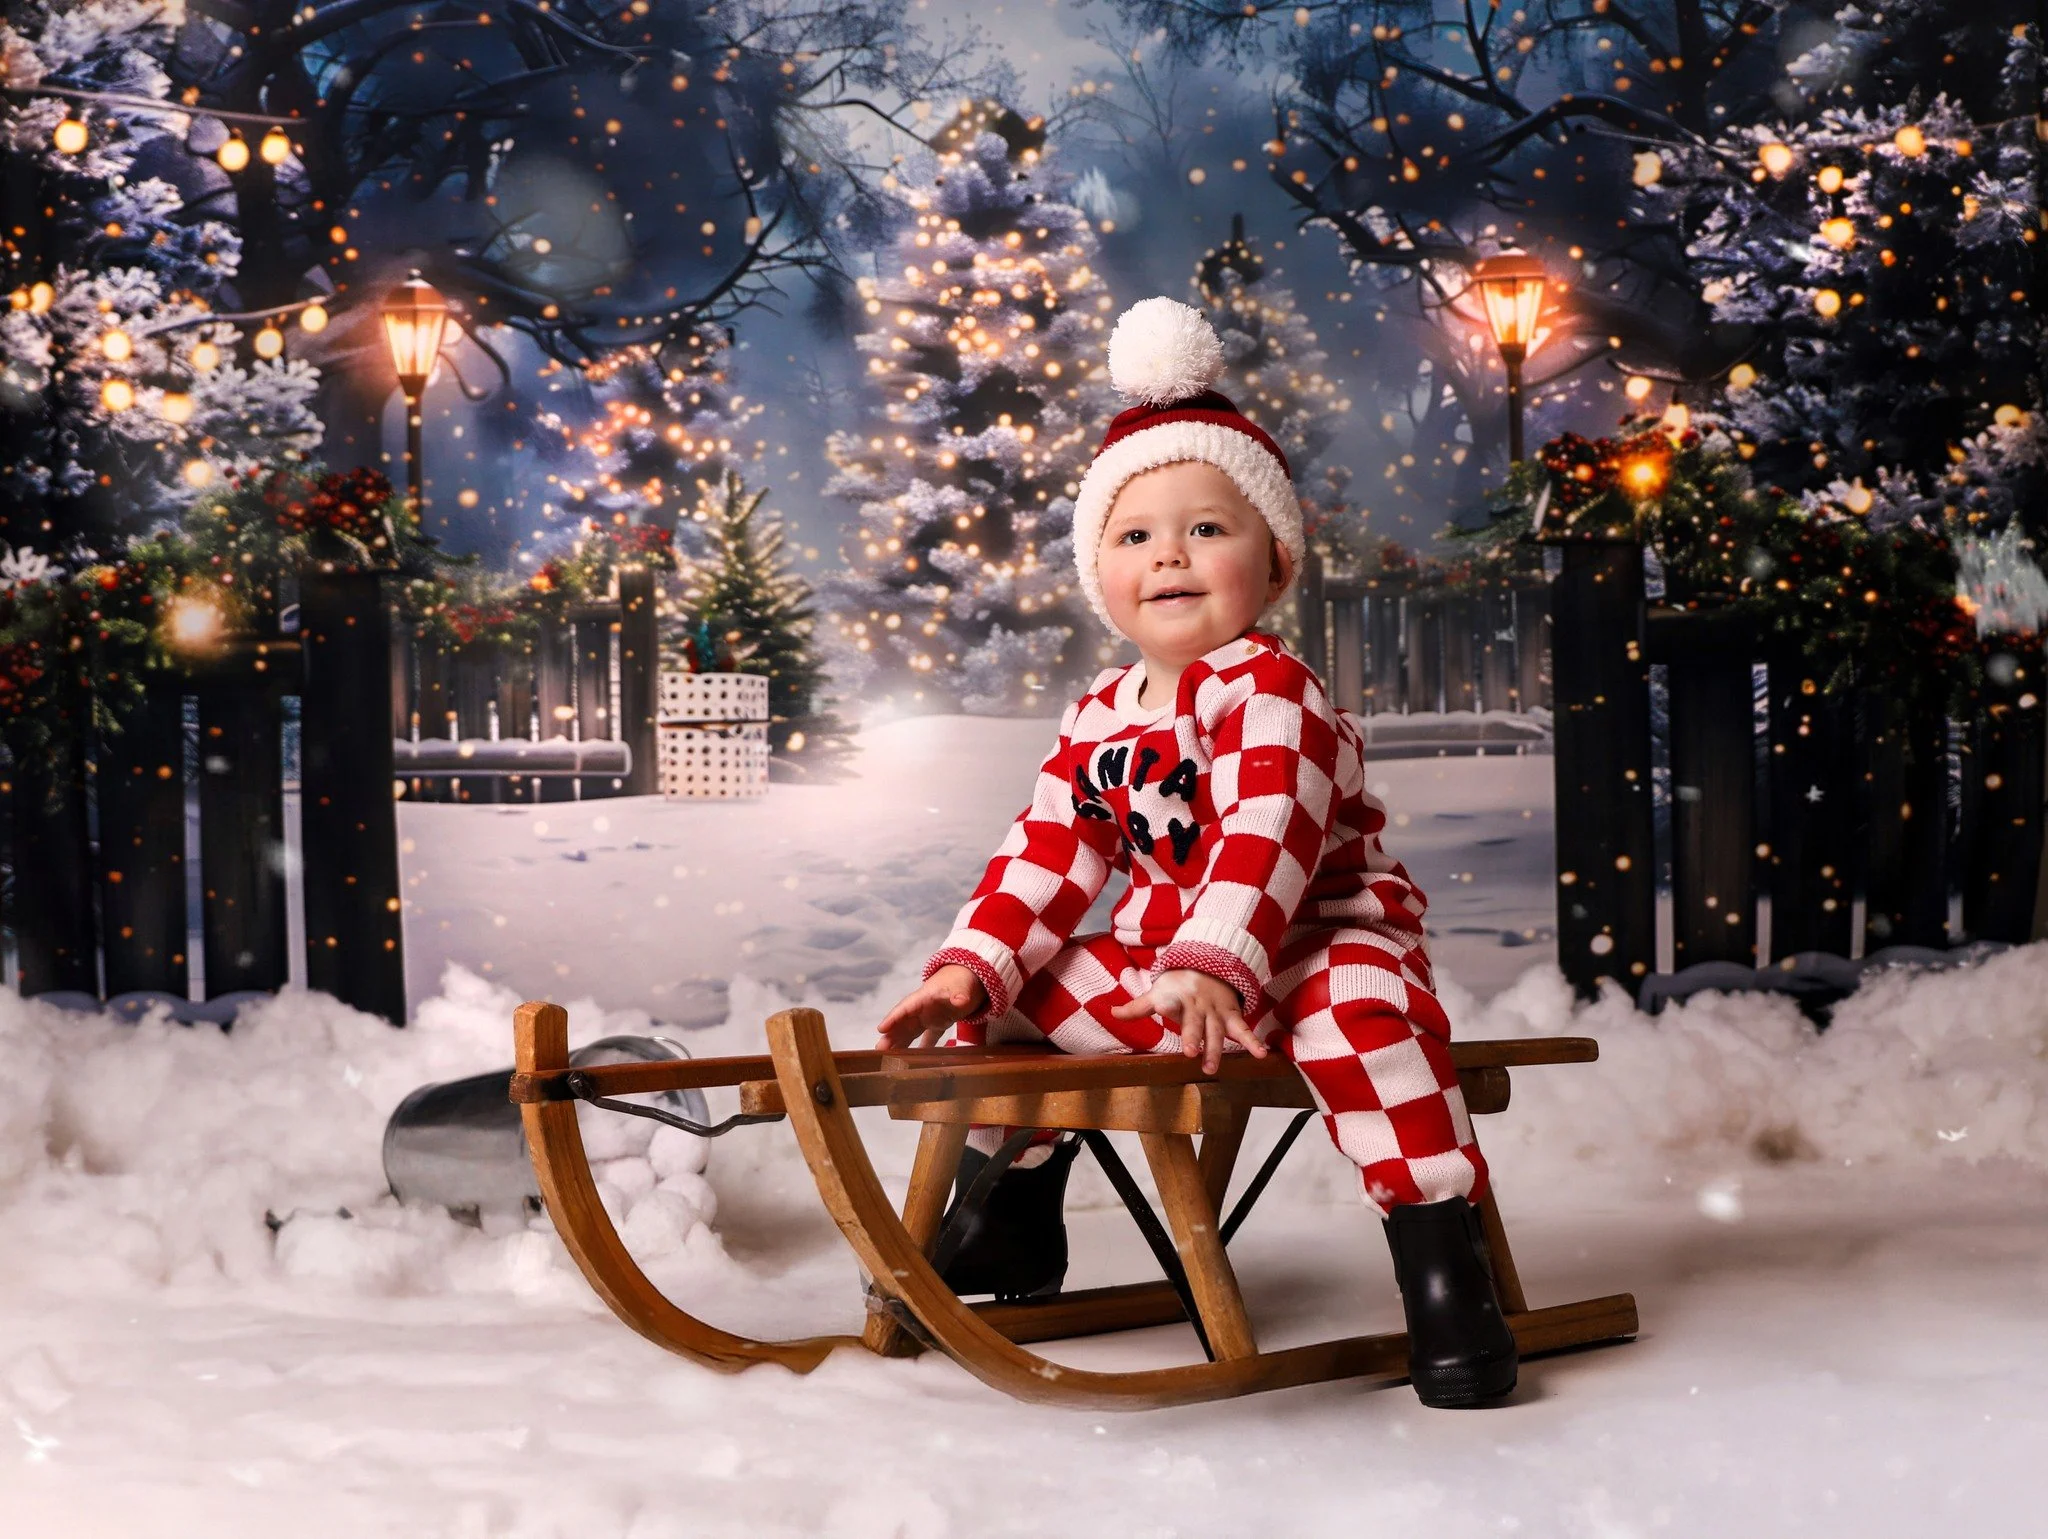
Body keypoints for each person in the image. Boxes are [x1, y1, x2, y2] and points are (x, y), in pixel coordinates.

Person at [874, 297, 1517, 1408]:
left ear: (1275, 564)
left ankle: (1440, 1263)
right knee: (1020, 994)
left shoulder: (1273, 690)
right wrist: (971, 964)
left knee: (1370, 1028)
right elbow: (1047, 847)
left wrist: (1215, 959)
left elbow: (1266, 835)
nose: (1169, 553)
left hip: (1313, 949)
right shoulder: (1099, 715)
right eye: (1134, 537)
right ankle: (1011, 1213)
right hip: (1162, 976)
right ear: (1102, 576)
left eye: (1208, 529)